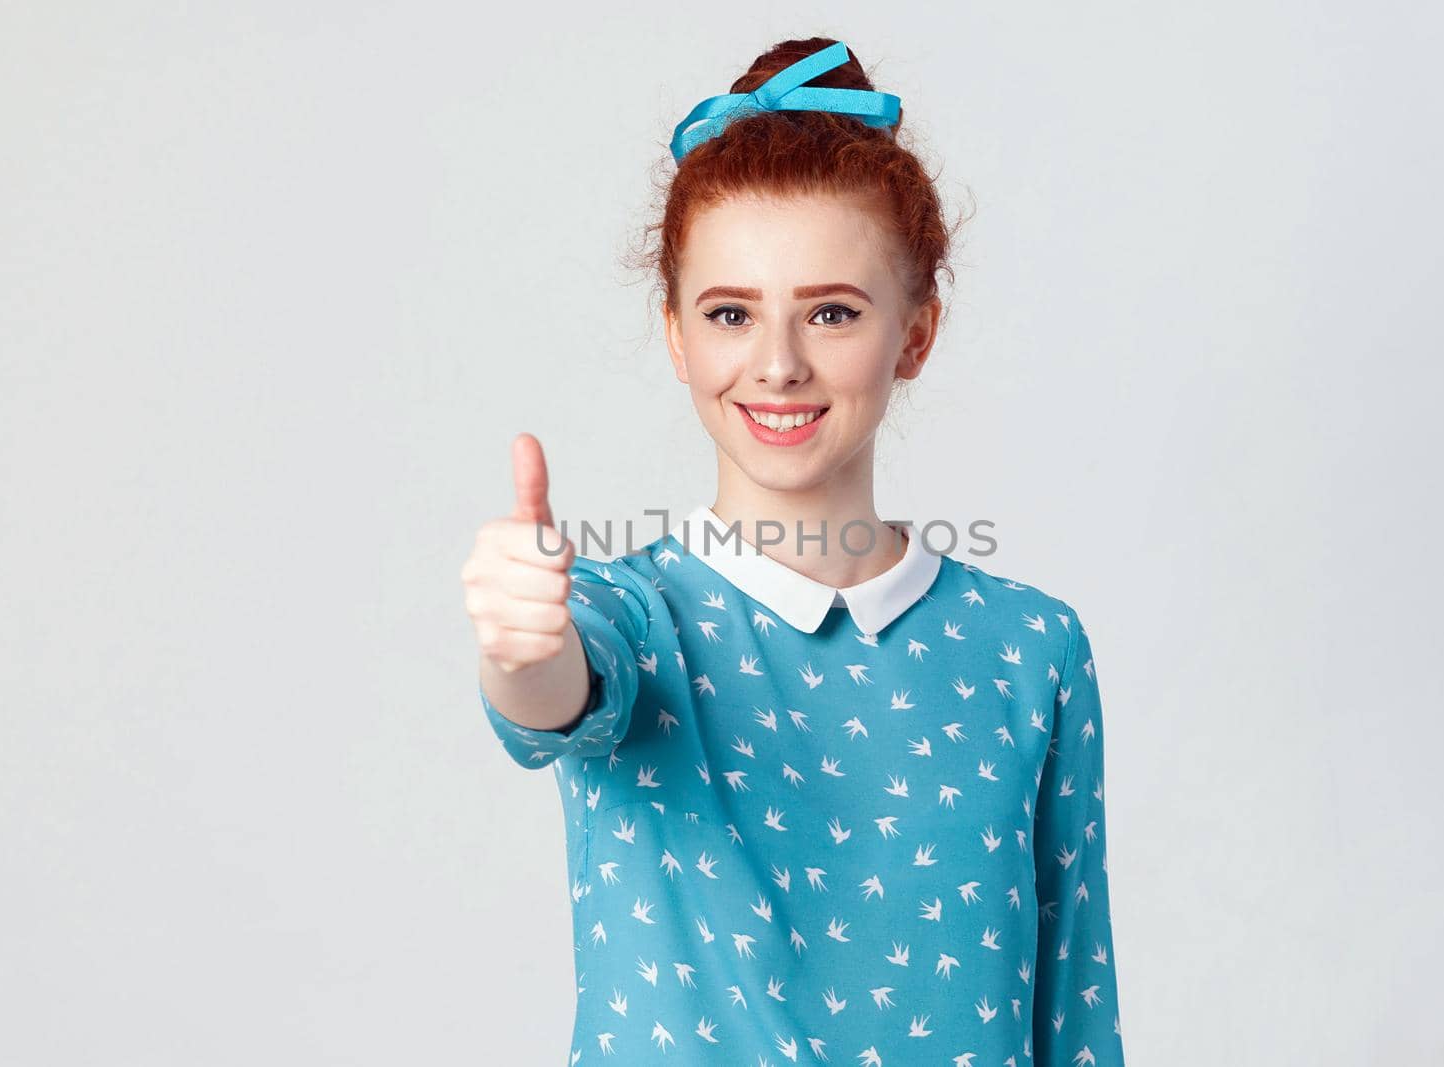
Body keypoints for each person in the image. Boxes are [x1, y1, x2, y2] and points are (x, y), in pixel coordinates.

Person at [460, 37, 1127, 1066]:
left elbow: (1075, 1011)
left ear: (914, 333)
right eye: (731, 313)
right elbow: (554, 691)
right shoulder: (629, 617)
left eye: (831, 312)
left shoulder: (1030, 646)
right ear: (678, 335)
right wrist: (518, 645)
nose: (776, 364)